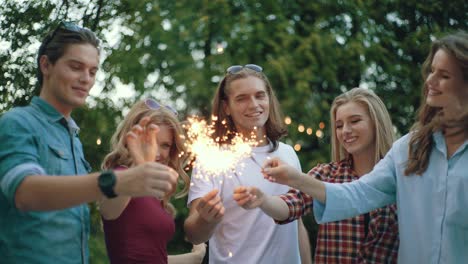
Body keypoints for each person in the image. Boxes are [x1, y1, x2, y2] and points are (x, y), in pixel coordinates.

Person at [257, 31, 468, 263]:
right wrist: (288, 182)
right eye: (431, 71)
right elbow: (356, 195)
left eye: (444, 75)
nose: (430, 81)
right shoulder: (409, 150)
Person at [0, 22, 178, 264]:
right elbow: (25, 192)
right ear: (46, 65)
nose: (86, 79)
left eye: (93, 72)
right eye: (76, 67)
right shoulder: (17, 122)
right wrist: (116, 181)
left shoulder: (73, 139)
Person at [234, 87, 399, 263]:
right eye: (339, 125)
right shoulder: (326, 175)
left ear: (376, 123)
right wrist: (263, 200)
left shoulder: (400, 178)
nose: (345, 131)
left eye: (355, 121)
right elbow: (290, 206)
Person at [184, 64, 311, 263]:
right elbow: (193, 234)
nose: (253, 105)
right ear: (226, 107)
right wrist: (206, 218)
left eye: (260, 95)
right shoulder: (211, 157)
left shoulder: (288, 154)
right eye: (241, 98)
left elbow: (298, 223)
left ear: (269, 99)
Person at [100, 99, 206, 264]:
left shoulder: (154, 192)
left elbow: (153, 259)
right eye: (150, 140)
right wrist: (139, 165)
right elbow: (108, 210)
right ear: (133, 138)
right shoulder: (121, 177)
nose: (156, 151)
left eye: (165, 145)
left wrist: (194, 258)